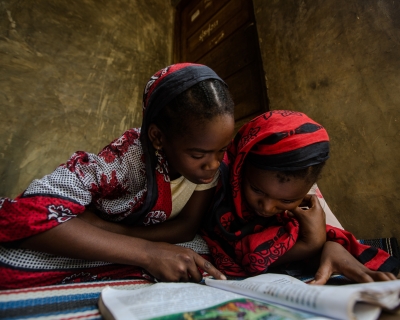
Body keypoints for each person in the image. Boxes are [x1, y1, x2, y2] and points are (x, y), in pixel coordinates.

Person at [0, 63, 234, 289]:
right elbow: (32, 212)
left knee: (203, 254)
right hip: (98, 236)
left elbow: (186, 227)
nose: (213, 164)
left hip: (121, 234)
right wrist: (147, 253)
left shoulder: (209, 157)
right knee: (13, 261)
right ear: (157, 137)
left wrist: (118, 234)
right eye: (197, 155)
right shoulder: (125, 159)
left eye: (222, 150)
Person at [202, 110, 399, 284]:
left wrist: (328, 246)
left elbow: (333, 234)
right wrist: (311, 245)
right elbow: (247, 257)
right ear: (240, 168)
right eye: (257, 190)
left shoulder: (301, 209)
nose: (267, 208)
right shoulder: (215, 182)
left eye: (286, 201)